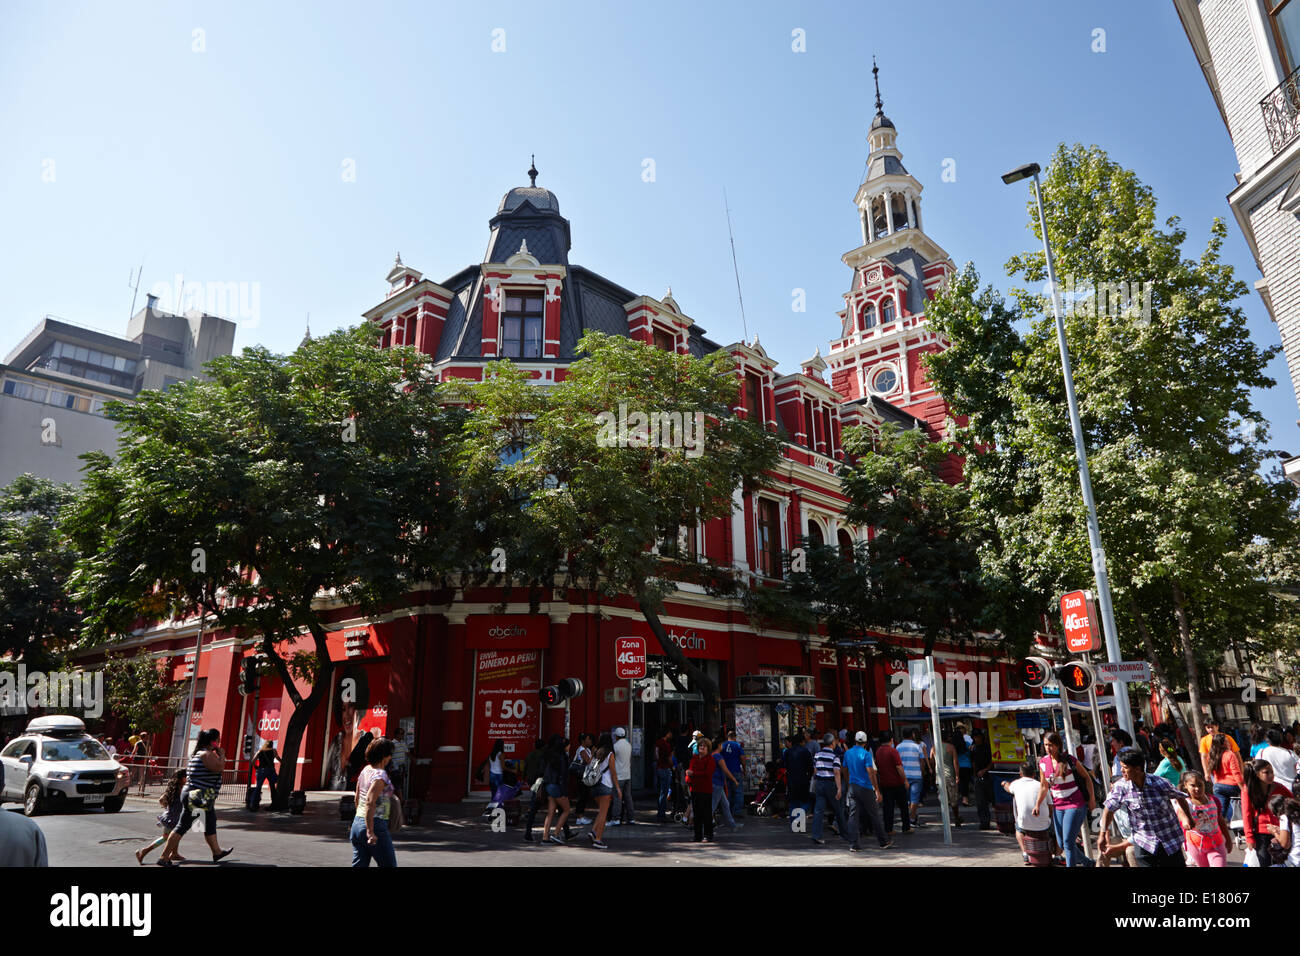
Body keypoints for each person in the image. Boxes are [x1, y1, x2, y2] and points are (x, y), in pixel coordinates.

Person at [1098, 748, 1193, 867]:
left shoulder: (1160, 783)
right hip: (1143, 842)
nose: (1122, 771)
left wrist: (1188, 817)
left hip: (1169, 841)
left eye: (1125, 767)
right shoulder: (1121, 787)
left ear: (1138, 769)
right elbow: (1109, 808)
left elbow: (1180, 797)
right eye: (1121, 767)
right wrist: (1102, 834)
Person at [161, 728, 234, 864]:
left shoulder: (200, 753)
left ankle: (217, 852)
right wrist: (222, 755)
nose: (219, 742)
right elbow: (219, 768)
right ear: (213, 741)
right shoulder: (206, 754)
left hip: (200, 795)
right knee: (182, 826)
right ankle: (164, 857)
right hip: (199, 795)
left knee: (210, 822)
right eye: (218, 740)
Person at [1035, 731, 1095, 867]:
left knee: (1068, 842)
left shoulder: (1069, 760)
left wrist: (1091, 799)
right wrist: (1037, 804)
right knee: (1062, 843)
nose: (1048, 748)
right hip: (1058, 806)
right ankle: (1088, 863)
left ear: (1057, 745)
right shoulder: (1043, 763)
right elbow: (1044, 786)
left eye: (1050, 745)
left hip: (1075, 804)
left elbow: (1087, 778)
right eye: (1045, 745)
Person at [351, 737, 401, 867]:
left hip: (357, 824)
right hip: (375, 824)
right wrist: (370, 830)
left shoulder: (365, 770)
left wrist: (360, 820)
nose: (391, 757)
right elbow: (370, 801)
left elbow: (357, 797)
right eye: (390, 754)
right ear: (384, 755)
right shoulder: (380, 775)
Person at [1173, 770, 1231, 867]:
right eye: (1193, 785)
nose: (1197, 788)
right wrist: (1185, 821)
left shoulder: (1214, 800)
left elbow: (1220, 821)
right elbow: (1182, 816)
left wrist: (1228, 840)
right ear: (1185, 786)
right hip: (1196, 846)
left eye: (1200, 785)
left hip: (1216, 844)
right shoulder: (1185, 803)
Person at [844, 731, 891, 851]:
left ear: (855, 740)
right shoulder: (866, 754)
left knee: (853, 816)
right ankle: (883, 841)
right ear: (865, 742)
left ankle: (854, 844)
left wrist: (849, 781)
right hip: (866, 787)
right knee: (874, 815)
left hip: (853, 787)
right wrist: (877, 789)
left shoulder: (848, 753)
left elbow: (843, 769)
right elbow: (870, 772)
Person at [1242, 758, 1291, 867]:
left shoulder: (1279, 788)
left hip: (1280, 832)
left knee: (1281, 862)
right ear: (1256, 774)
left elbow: (1292, 803)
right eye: (1266, 772)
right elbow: (1246, 815)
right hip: (1261, 834)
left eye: (1272, 772)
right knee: (1264, 862)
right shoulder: (1247, 790)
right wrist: (1249, 837)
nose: (1271, 775)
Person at [1003, 760, 1054, 865]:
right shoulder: (1042, 785)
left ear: (1020, 774)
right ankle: (1055, 853)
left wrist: (1004, 783)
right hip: (1044, 824)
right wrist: (1048, 818)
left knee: (1017, 828)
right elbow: (1050, 806)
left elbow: (1008, 788)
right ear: (1034, 774)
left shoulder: (1016, 784)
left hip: (1024, 824)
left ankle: (1025, 852)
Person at [136, 769, 188, 866]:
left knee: (176, 835)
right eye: (186, 777)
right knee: (167, 838)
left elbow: (161, 800)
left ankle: (174, 853)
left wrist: (168, 807)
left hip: (170, 816)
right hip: (172, 818)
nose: (188, 779)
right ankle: (144, 851)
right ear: (182, 778)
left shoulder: (173, 788)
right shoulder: (181, 789)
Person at [809, 733, 851, 847]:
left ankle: (816, 835)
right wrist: (839, 788)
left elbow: (815, 770)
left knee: (818, 810)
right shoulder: (835, 756)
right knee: (838, 809)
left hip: (819, 783)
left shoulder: (817, 754)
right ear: (833, 743)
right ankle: (845, 834)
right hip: (830, 784)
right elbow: (837, 772)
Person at [874, 730, 911, 836]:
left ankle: (888, 828)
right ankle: (906, 827)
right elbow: (899, 767)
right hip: (897, 783)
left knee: (888, 807)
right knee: (903, 806)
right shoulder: (893, 751)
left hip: (885, 783)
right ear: (891, 740)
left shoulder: (878, 751)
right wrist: (905, 780)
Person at [539, 734, 574, 845]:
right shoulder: (562, 757)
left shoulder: (549, 755)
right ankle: (556, 833)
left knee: (550, 812)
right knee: (567, 810)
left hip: (548, 785)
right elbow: (563, 776)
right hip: (557, 786)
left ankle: (545, 837)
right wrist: (564, 792)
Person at [588, 733, 616, 849]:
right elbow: (613, 773)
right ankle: (598, 839)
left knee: (601, 811)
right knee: (603, 814)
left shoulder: (595, 752)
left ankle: (594, 831)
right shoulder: (610, 754)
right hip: (606, 784)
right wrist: (618, 788)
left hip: (594, 785)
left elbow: (589, 765)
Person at [1206, 732, 1244, 821]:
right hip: (1232, 785)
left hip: (1218, 786)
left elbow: (1213, 773)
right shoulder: (1229, 754)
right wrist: (1242, 787)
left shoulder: (1212, 755)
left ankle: (1218, 827)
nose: (1229, 743)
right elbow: (1236, 773)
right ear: (1223, 743)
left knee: (1221, 811)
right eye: (1227, 741)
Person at [686, 736, 716, 843]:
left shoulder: (710, 759)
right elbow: (690, 770)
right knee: (697, 813)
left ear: (708, 748)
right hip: (695, 788)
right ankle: (697, 835)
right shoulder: (694, 758)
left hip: (705, 789)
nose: (702, 748)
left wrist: (694, 774)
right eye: (700, 746)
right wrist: (688, 778)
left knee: (706, 813)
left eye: (704, 746)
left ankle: (708, 835)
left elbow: (707, 773)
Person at [896, 728, 927, 828]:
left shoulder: (898, 747)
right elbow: (922, 762)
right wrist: (922, 773)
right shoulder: (917, 747)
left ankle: (907, 818)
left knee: (906, 798)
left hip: (903, 776)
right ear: (912, 735)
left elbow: (897, 763)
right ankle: (912, 819)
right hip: (916, 775)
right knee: (914, 799)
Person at [710, 738, 742, 831]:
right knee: (713, 806)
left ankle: (732, 825)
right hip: (717, 783)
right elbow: (725, 770)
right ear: (719, 745)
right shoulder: (718, 756)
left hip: (714, 782)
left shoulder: (711, 755)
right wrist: (734, 780)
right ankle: (705, 825)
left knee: (725, 804)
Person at [521, 737, 547, 842]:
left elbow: (525, 767)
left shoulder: (530, 755)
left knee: (534, 804)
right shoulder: (543, 756)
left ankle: (528, 830)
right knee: (536, 803)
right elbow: (542, 770)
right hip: (540, 782)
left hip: (531, 779)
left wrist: (524, 777)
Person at [1265, 793, 1300, 867]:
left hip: (1294, 861)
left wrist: (1274, 832)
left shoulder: (1284, 817)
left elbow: (1285, 844)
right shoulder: (1295, 814)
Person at [970, 728, 995, 830]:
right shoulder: (973, 749)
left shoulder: (987, 747)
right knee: (981, 802)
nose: (977, 739)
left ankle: (992, 819)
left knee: (992, 799)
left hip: (988, 776)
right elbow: (973, 763)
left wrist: (985, 770)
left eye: (978, 737)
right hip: (978, 777)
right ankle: (984, 822)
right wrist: (974, 775)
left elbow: (992, 761)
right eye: (975, 737)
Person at [785, 731, 814, 820]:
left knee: (793, 802)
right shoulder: (805, 751)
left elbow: (786, 765)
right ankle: (799, 818)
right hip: (803, 779)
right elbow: (810, 767)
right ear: (802, 741)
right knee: (804, 801)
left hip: (791, 779)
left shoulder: (788, 752)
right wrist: (809, 777)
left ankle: (794, 821)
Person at [1259, 728, 1297, 792]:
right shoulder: (1290, 753)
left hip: (1274, 790)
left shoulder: (1262, 753)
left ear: (1267, 741)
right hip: (1292, 788)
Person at [611, 727, 634, 825]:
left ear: (616, 736)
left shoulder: (615, 746)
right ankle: (631, 818)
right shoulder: (629, 745)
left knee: (617, 797)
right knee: (628, 797)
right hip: (627, 774)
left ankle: (616, 818)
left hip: (619, 775)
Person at [720, 730, 746, 818]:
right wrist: (744, 769)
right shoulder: (737, 745)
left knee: (727, 791)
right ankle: (737, 811)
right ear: (735, 737)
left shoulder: (722, 745)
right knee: (738, 791)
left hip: (725, 771)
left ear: (728, 737)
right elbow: (742, 758)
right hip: (736, 771)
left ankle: (728, 810)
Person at [939, 731, 962, 826]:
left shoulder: (934, 748)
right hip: (950, 775)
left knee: (943, 800)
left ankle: (946, 819)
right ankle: (956, 818)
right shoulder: (951, 747)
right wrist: (957, 775)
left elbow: (932, 761)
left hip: (939, 777)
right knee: (953, 799)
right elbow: (955, 762)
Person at [571, 733, 594, 825]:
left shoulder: (587, 749)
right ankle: (579, 817)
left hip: (585, 776)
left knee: (584, 796)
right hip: (581, 776)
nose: (590, 741)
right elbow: (588, 761)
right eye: (588, 739)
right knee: (582, 795)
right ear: (583, 740)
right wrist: (593, 753)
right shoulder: (581, 750)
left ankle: (581, 815)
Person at [654, 729, 674, 823]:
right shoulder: (667, 745)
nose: (671, 734)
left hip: (659, 767)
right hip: (665, 768)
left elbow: (656, 754)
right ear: (667, 733)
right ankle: (662, 814)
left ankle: (660, 813)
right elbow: (669, 758)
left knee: (661, 791)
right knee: (664, 792)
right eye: (670, 733)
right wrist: (672, 766)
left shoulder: (658, 743)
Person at [953, 725, 972, 806]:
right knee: (966, 783)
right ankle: (965, 799)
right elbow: (971, 754)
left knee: (959, 782)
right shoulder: (967, 744)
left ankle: (955, 798)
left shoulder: (953, 746)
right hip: (967, 765)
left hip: (957, 766)